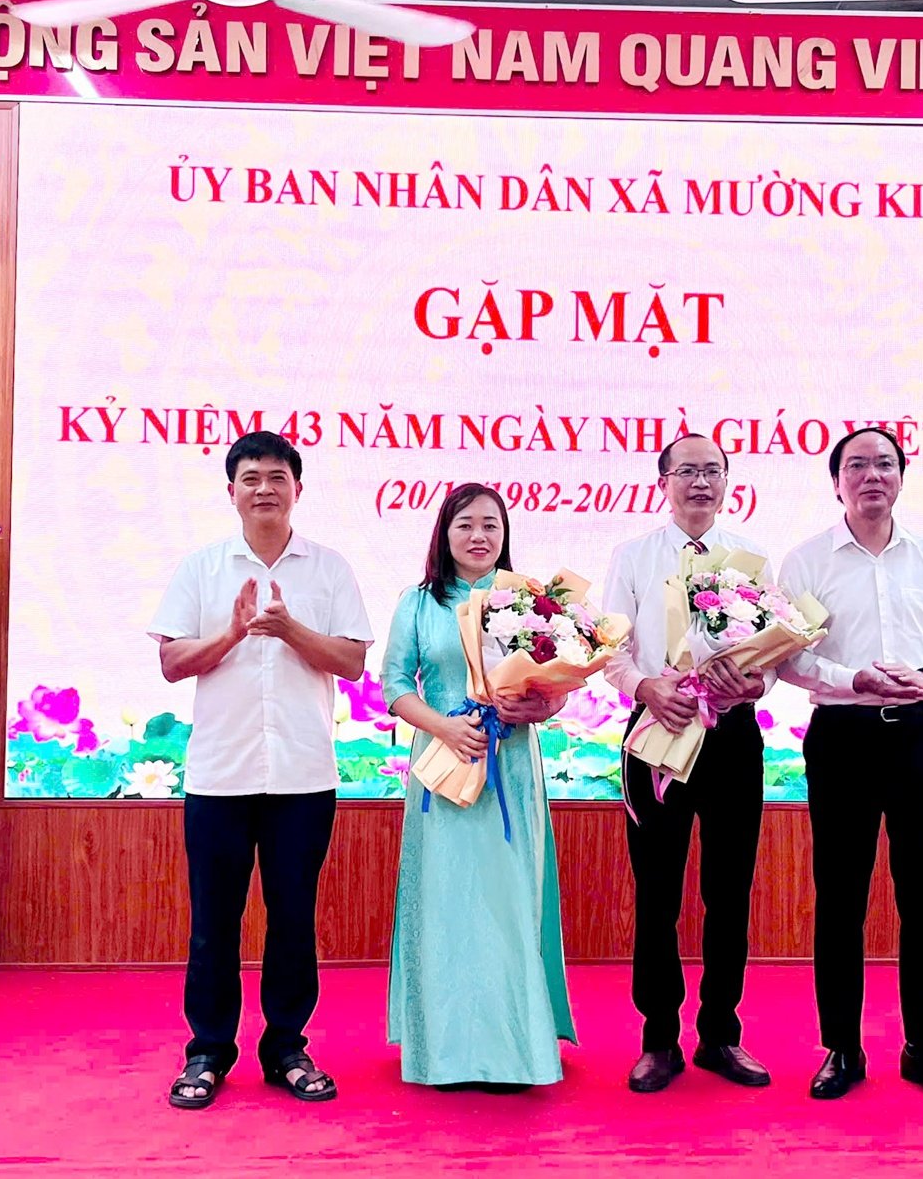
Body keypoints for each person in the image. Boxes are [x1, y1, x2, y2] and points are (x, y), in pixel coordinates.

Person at [148, 432, 374, 1109]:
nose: (265, 489)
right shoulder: (202, 568)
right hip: (220, 775)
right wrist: (233, 633)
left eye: (278, 477)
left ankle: (286, 1047)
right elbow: (170, 663)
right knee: (213, 921)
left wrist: (288, 630)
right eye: (251, 478)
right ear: (232, 492)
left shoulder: (328, 569)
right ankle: (208, 1052)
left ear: (297, 489)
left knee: (293, 918)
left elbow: (354, 662)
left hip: (303, 776)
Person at [776, 427, 923, 1104]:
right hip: (842, 736)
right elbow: (788, 659)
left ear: (901, 477)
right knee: (841, 896)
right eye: (857, 465)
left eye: (884, 464)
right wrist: (853, 678)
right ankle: (841, 1047)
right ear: (835, 481)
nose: (872, 475)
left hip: (920, 735)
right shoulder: (807, 562)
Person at [383, 483, 574, 1090]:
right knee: (445, 900)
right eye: (465, 524)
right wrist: (445, 728)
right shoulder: (418, 602)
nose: (479, 536)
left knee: (508, 900)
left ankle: (518, 1050)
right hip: (442, 766)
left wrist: (535, 710)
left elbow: (556, 688)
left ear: (504, 534)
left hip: (510, 770)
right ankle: (444, 1050)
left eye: (491, 525)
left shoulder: (530, 604)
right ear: (444, 533)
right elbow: (393, 683)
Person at [604, 434, 773, 1093]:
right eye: (687, 471)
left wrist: (755, 684)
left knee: (729, 894)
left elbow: (771, 653)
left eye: (712, 471)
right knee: (657, 894)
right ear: (663, 481)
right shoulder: (634, 556)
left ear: (728, 480)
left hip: (731, 738)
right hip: (656, 732)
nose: (700, 482)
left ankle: (721, 1034)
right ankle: (659, 1040)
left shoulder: (750, 559)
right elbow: (609, 647)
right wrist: (645, 687)